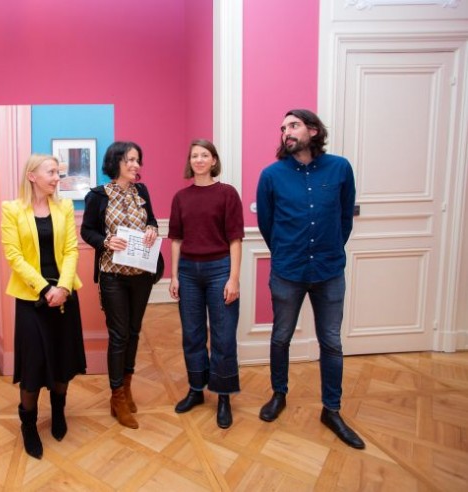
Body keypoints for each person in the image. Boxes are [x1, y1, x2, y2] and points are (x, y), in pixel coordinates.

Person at [256, 109, 365, 449]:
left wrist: (330, 248)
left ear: (313, 130)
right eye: (282, 128)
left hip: (329, 271)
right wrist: (286, 251)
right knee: (281, 337)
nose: (286, 132)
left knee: (331, 342)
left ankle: (332, 410)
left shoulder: (340, 168)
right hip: (288, 271)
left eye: (293, 125)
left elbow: (345, 217)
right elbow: (267, 225)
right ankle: (279, 394)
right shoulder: (271, 175)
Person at [0, 154, 86, 460]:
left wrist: (62, 288)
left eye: (58, 173)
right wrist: (45, 288)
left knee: (62, 359)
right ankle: (29, 426)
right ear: (32, 176)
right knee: (33, 364)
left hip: (64, 296)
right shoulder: (12, 209)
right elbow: (14, 255)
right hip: (31, 299)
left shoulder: (64, 207)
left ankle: (58, 413)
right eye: (51, 172)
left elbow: (71, 250)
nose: (56, 178)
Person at [81, 141, 158, 429]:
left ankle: (127, 388)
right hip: (112, 275)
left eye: (138, 160)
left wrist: (152, 229)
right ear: (116, 162)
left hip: (142, 274)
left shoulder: (142, 191)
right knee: (119, 335)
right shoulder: (98, 195)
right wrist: (105, 241)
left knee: (134, 332)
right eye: (130, 160)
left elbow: (151, 220)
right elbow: (87, 231)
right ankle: (116, 397)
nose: (136, 165)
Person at [168, 139, 244, 429]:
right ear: (190, 162)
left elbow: (235, 239)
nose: (199, 160)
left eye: (204, 155)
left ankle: (223, 396)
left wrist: (233, 278)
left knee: (223, 336)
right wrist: (174, 276)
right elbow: (176, 240)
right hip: (188, 272)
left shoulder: (227, 194)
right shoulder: (180, 197)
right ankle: (196, 389)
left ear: (213, 160)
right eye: (194, 156)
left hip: (219, 270)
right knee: (192, 334)